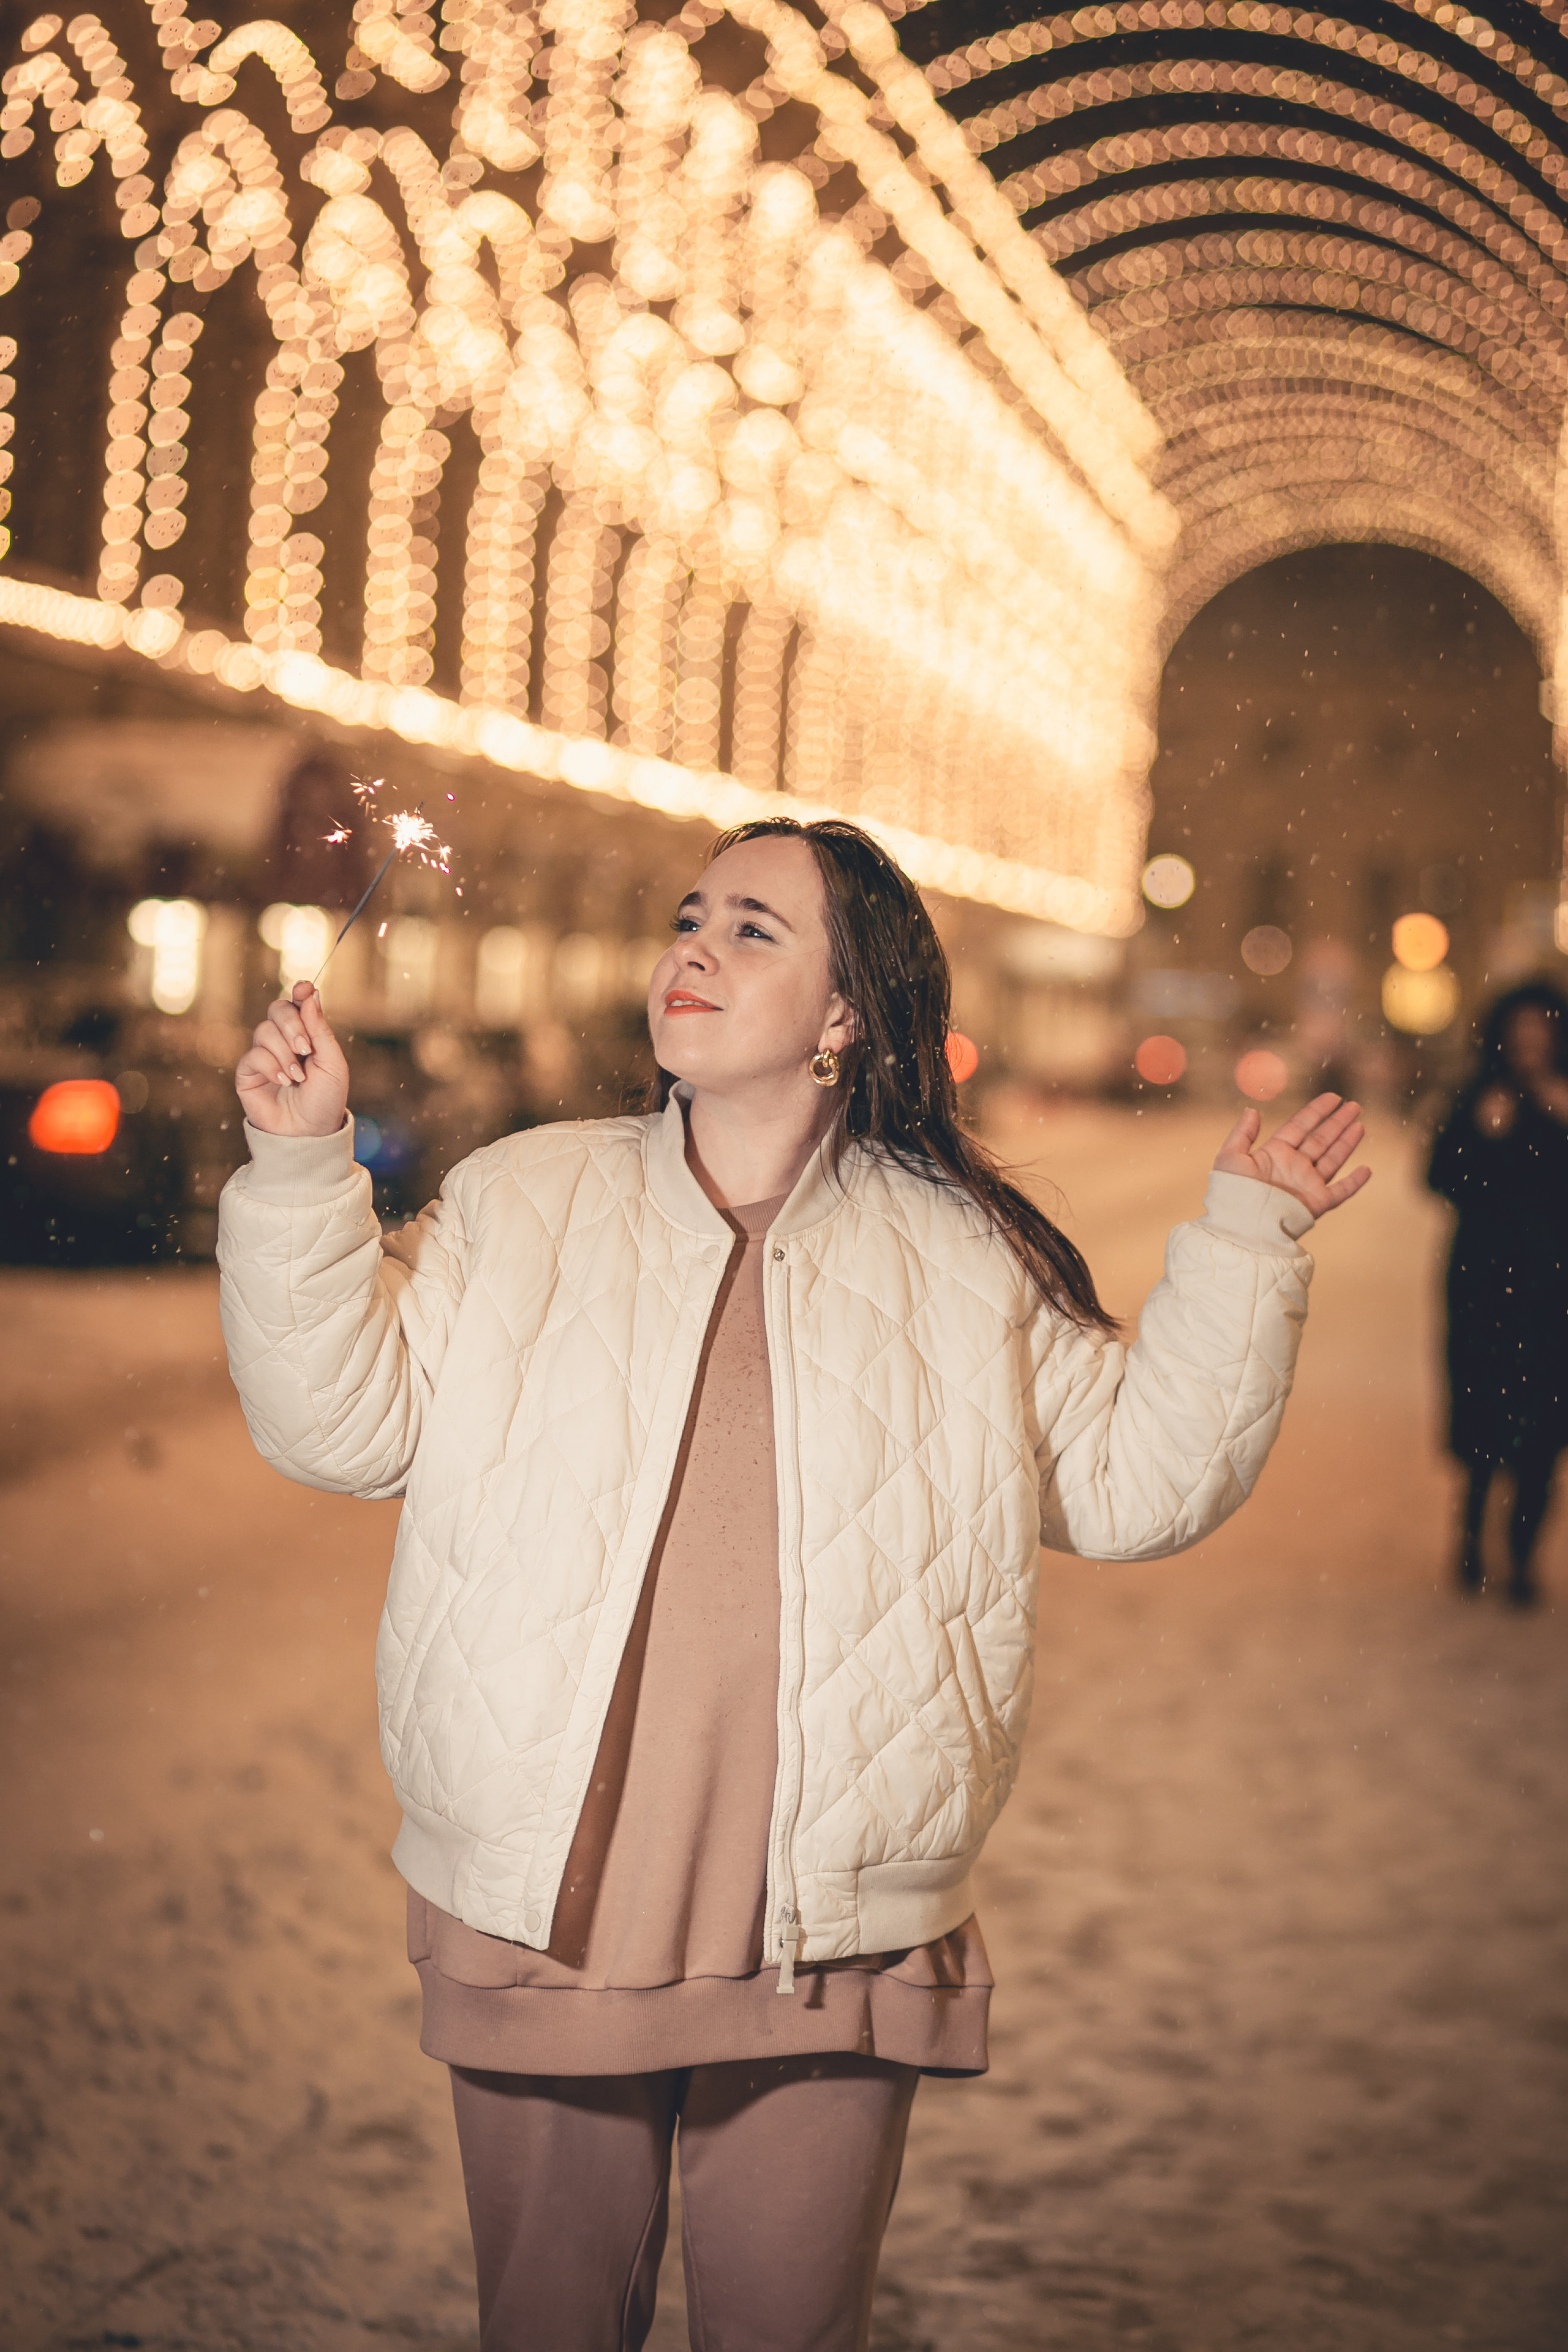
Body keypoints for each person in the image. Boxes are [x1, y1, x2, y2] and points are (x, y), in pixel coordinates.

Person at [217, 817, 1369, 2352]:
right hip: (550, 1905)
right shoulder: (522, 1199)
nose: (691, 946)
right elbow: (342, 1425)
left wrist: (1245, 1237)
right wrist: (300, 1167)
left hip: (833, 1920)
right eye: (689, 914)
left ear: (845, 1015)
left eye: (753, 927)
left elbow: (1126, 1481)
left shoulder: (960, 1255)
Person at [1427, 980, 1568, 1607]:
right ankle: (1469, 1538)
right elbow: (1437, 1177)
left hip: (1555, 1287)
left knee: (1544, 1424)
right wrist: (1483, 1135)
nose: (1530, 1040)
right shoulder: (1477, 1096)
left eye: (1541, 1028)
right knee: (1482, 1414)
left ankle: (1522, 1557)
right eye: (1521, 1028)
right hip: (1485, 1280)